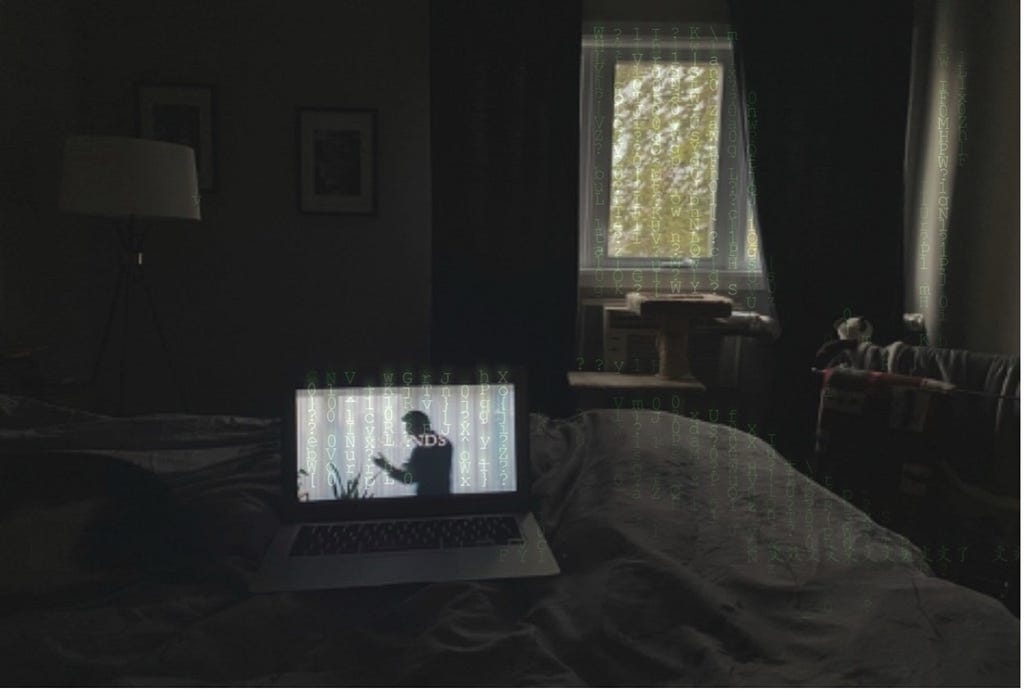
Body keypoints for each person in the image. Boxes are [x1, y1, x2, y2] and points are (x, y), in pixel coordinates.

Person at [371, 411, 452, 496]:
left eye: (410, 430)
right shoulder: (445, 443)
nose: (409, 434)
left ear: (421, 428)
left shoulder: (421, 451)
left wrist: (386, 466)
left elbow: (409, 479)